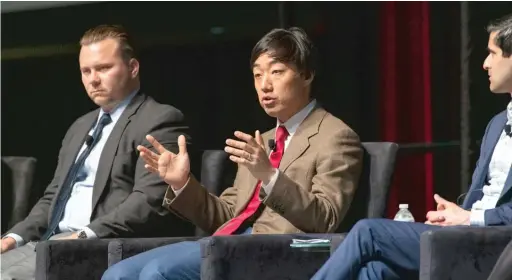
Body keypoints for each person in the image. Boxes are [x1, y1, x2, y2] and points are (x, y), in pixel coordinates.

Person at [102, 26, 364, 280]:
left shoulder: (336, 137)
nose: (265, 85)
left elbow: (325, 219)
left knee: (156, 272)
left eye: (277, 72)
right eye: (258, 75)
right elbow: (227, 216)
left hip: (277, 252)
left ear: (306, 75)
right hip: (225, 244)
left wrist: (270, 177)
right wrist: (183, 183)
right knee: (118, 273)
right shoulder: (263, 141)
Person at [311, 13, 512, 280]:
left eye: (492, 53)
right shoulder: (497, 124)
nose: (485, 64)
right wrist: (456, 214)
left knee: (367, 232)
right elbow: (482, 196)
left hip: (496, 247)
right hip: (467, 236)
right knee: (374, 273)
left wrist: (469, 218)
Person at [0, 24, 193, 280]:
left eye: (103, 68)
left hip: (105, 245)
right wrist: (13, 237)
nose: (93, 79)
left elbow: (149, 201)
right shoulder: (79, 126)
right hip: (50, 242)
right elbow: (52, 197)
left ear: (133, 67)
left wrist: (84, 235)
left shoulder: (159, 119)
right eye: (86, 71)